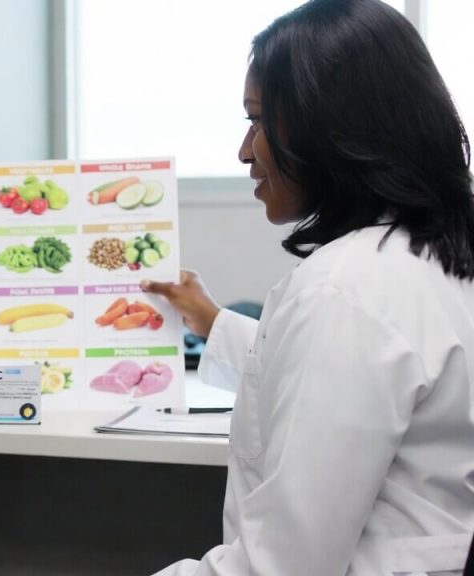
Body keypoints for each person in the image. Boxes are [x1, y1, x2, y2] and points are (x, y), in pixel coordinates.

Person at [141, 0, 474, 574]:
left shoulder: (345, 291)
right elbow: (344, 374)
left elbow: (282, 565)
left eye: (257, 120)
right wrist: (212, 320)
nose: (245, 150)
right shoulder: (428, 258)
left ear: (328, 126)